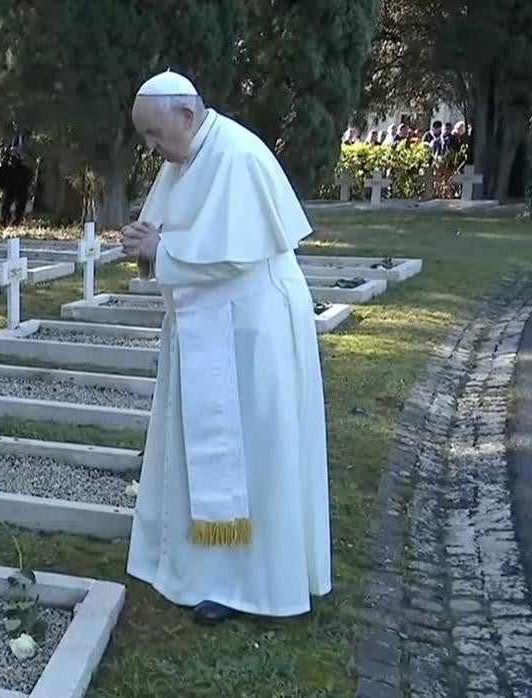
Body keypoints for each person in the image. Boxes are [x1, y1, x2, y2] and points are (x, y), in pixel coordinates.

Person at [118, 69, 332, 626]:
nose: (151, 148)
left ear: (186, 116)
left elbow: (231, 253)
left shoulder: (235, 156)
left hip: (252, 330)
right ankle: (209, 570)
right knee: (213, 452)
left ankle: (259, 585)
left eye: (155, 134)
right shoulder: (187, 159)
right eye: (145, 137)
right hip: (211, 322)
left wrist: (160, 247)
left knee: (257, 457)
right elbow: (179, 240)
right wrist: (147, 246)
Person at [0, 147, 32, 227]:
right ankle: (7, 219)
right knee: (8, 204)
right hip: (12, 187)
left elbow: (29, 178)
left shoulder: (21, 169)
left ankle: (14, 220)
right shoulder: (6, 167)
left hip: (17, 187)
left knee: (16, 204)